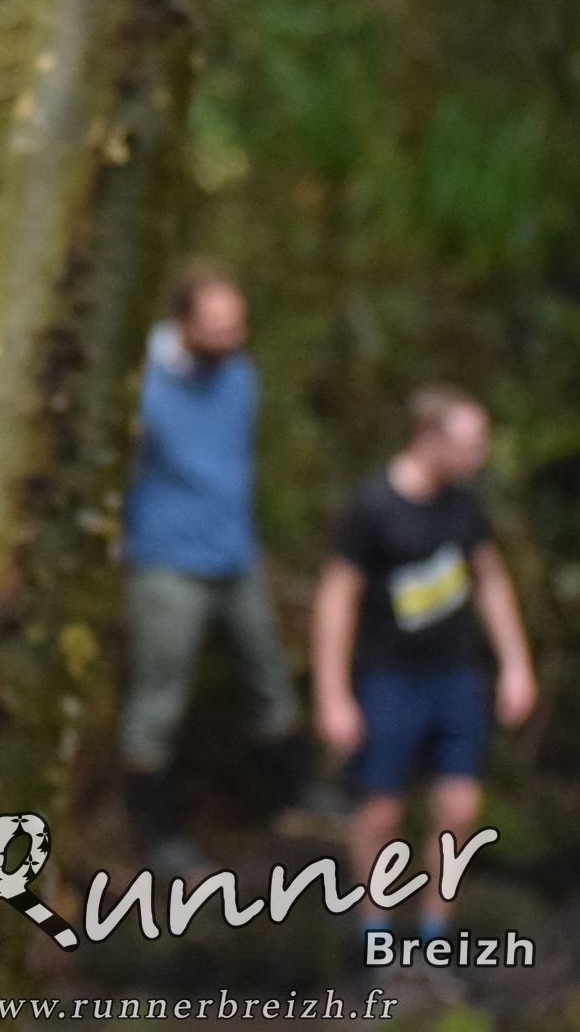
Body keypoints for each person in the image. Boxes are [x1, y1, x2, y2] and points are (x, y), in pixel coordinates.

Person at [314, 388, 539, 949]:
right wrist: (332, 694)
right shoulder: (373, 506)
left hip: (455, 674)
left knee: (460, 805)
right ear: (429, 439)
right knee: (380, 811)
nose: (478, 456)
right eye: (468, 444)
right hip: (388, 678)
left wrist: (516, 664)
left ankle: (436, 933)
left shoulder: (464, 503)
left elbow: (489, 579)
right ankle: (374, 933)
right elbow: (337, 598)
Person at [114, 263, 320, 873]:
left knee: (268, 675)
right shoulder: (141, 386)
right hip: (166, 563)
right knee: (160, 700)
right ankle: (155, 833)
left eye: (239, 326)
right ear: (183, 324)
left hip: (235, 553)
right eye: (220, 327)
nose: (234, 337)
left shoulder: (240, 379)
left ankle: (297, 795)